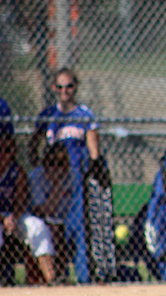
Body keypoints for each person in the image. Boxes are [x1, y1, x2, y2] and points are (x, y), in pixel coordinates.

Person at [29, 67, 101, 284]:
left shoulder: (84, 114)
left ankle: (83, 279)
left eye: (69, 86)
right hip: (52, 178)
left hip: (77, 179)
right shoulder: (48, 115)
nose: (65, 91)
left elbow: (94, 149)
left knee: (78, 228)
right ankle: (55, 277)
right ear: (54, 88)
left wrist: (94, 167)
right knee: (52, 228)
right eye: (60, 86)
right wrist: (37, 166)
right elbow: (34, 144)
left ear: (75, 86)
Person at [0, 134, 56, 285]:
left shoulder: (17, 172)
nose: (4, 154)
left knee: (38, 226)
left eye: (9, 150)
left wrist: (13, 218)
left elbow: (20, 203)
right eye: (1, 149)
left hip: (12, 217)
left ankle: (52, 279)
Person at [29, 143, 75, 283]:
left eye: (61, 163)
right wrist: (57, 186)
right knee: (48, 229)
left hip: (67, 222)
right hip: (45, 221)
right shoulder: (36, 177)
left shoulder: (73, 177)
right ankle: (54, 278)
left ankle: (67, 277)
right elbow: (43, 211)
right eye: (51, 163)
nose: (56, 168)